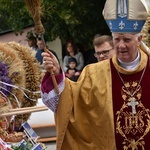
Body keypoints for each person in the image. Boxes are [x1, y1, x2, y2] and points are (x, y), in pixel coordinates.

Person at [40, 0, 150, 149]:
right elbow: (71, 102)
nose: (121, 45)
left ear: (139, 40)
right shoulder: (94, 73)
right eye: (117, 39)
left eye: (127, 39)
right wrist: (58, 71)